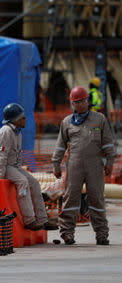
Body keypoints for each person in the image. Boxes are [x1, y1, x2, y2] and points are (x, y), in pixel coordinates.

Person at [52, 86, 115, 245]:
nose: (80, 105)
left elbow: (108, 143)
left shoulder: (99, 119)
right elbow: (60, 146)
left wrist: (109, 162)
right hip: (74, 165)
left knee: (97, 199)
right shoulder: (67, 122)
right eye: (76, 102)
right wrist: (56, 165)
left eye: (82, 101)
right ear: (72, 104)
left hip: (95, 165)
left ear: (88, 101)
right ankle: (67, 233)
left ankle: (101, 234)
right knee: (70, 198)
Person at [0, 103, 57, 231]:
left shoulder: (17, 132)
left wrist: (19, 170)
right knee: (23, 182)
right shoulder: (6, 132)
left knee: (34, 183)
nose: (25, 119)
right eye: (22, 117)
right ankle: (29, 220)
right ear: (15, 120)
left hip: (12, 165)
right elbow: (1, 154)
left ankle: (42, 219)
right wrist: (0, 175)